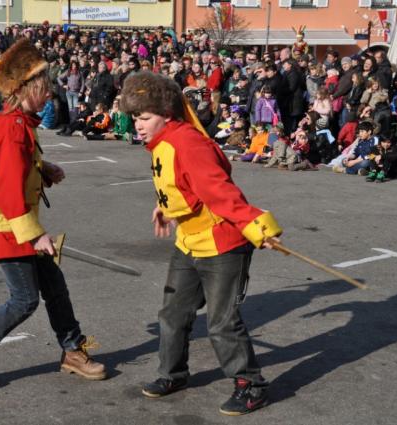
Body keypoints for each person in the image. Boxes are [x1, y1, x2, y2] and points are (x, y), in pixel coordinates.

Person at [0, 39, 106, 393]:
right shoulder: (12, 128)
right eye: (43, 89)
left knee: (55, 287)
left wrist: (43, 168)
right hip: (11, 228)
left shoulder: (17, 123)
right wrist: (35, 234)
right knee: (24, 300)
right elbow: (2, 185)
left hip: (21, 225)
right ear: (24, 90)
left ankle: (72, 351)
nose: (48, 96)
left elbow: (12, 168)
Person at [119, 71, 282, 416]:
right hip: (189, 241)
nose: (138, 125)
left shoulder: (187, 143)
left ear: (166, 114)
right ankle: (173, 374)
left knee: (222, 322)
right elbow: (182, 186)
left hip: (222, 243)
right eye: (135, 117)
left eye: (144, 117)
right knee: (173, 313)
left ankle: (251, 385)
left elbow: (220, 191)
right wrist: (165, 209)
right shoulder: (164, 141)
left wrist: (257, 227)